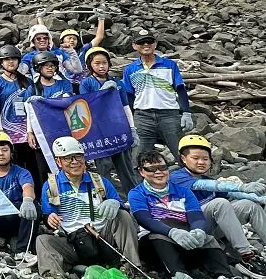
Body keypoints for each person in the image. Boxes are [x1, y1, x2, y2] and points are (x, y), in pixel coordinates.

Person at [129, 149, 247, 279]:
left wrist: (198, 231)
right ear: (141, 172)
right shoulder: (137, 193)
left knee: (208, 238)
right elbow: (144, 219)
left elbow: (196, 217)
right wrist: (172, 232)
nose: (158, 172)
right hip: (156, 248)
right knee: (157, 234)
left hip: (186, 242)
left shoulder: (184, 192)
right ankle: (181, 278)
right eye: (151, 169)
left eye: (162, 168)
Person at [36, 136, 143, 279]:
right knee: (43, 240)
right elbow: (48, 216)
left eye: (78, 156)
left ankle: (133, 266)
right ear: (59, 161)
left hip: (104, 238)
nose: (75, 162)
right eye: (68, 158)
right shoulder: (52, 185)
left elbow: (119, 205)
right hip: (74, 243)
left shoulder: (98, 181)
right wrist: (50, 218)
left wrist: (115, 203)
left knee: (122, 215)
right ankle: (54, 278)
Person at [170, 134, 266, 268]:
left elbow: (233, 193)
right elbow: (204, 186)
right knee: (220, 203)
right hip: (192, 229)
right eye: (195, 158)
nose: (201, 162)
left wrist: (259, 197)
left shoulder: (205, 178)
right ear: (183, 159)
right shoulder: (176, 177)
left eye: (205, 158)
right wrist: (242, 186)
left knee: (249, 205)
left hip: (213, 226)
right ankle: (246, 254)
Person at [122, 29, 193, 159]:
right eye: (141, 42)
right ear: (134, 45)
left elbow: (180, 89)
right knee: (138, 157)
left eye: (149, 41)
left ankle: (191, 178)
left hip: (169, 115)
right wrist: (130, 121)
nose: (145, 45)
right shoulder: (130, 70)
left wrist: (186, 113)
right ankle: (138, 180)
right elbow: (129, 96)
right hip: (142, 117)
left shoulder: (169, 65)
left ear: (155, 44)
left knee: (182, 154)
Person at [79, 46, 139, 194]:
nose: (101, 66)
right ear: (90, 65)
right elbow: (87, 105)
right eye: (97, 63)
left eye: (104, 63)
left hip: (118, 129)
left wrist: (132, 128)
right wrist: (103, 91)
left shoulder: (118, 83)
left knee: (126, 166)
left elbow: (126, 106)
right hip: (99, 131)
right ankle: (106, 197)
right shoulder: (86, 83)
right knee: (103, 167)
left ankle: (134, 196)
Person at [0, 44, 45, 185]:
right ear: (1, 63)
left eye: (14, 59)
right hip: (8, 133)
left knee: (34, 167)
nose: (11, 62)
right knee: (14, 167)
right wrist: (0, 130)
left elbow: (32, 108)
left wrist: (31, 131)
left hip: (27, 133)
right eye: (7, 59)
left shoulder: (27, 81)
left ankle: (37, 196)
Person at [58, 14, 106, 86]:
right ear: (62, 41)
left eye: (74, 39)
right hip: (67, 84)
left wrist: (101, 18)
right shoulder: (58, 52)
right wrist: (39, 17)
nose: (72, 40)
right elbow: (45, 38)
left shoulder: (83, 49)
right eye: (69, 38)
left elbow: (99, 37)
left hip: (84, 83)